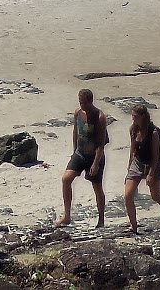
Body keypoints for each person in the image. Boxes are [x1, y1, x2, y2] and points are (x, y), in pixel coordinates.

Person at [58, 89, 110, 228]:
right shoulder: (78, 113)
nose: (82, 105)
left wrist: (96, 163)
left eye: (84, 102)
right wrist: (74, 151)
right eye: (80, 102)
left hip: (95, 156)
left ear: (90, 101)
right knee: (66, 179)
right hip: (80, 153)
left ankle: (101, 220)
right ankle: (67, 216)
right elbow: (76, 131)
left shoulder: (99, 117)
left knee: (97, 188)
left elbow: (101, 143)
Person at [123, 104, 160, 233]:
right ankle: (133, 226)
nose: (132, 118)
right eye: (132, 115)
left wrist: (151, 173)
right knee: (128, 194)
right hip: (138, 162)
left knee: (155, 196)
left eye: (135, 116)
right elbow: (132, 149)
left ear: (143, 117)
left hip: (153, 164)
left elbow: (155, 155)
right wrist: (129, 166)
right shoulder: (133, 129)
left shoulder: (153, 133)